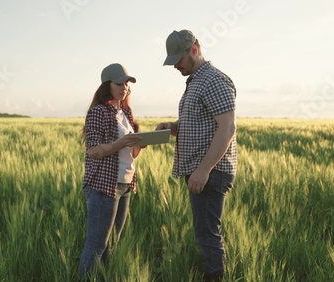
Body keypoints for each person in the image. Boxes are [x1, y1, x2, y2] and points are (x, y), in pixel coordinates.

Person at [156, 30, 237, 282]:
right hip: (202, 170)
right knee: (204, 232)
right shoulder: (197, 81)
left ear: (194, 49)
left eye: (177, 60)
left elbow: (227, 127)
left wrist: (203, 169)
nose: (175, 66)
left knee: (207, 234)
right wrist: (173, 127)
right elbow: (200, 123)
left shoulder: (212, 79)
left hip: (209, 172)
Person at [78, 63, 144, 279]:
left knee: (112, 245)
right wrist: (121, 142)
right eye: (119, 83)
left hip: (125, 185)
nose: (124, 87)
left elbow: (131, 154)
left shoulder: (126, 112)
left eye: (126, 83)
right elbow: (94, 151)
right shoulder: (99, 112)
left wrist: (139, 144)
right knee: (96, 247)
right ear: (107, 85)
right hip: (103, 186)